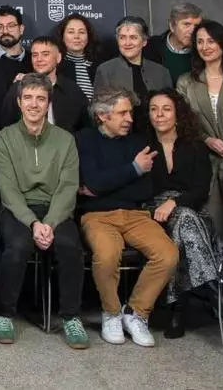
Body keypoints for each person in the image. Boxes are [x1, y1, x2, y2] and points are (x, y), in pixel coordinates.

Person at [75, 87, 179, 348]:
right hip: (97, 215)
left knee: (168, 254)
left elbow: (143, 190)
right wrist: (134, 169)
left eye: (130, 112)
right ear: (102, 115)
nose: (130, 119)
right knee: (107, 255)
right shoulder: (85, 139)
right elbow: (93, 182)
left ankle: (136, 313)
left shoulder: (138, 142)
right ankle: (111, 313)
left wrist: (103, 185)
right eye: (122, 113)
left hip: (136, 214)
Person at [0, 73, 88, 349]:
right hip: (18, 209)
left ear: (48, 104)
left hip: (56, 209)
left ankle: (71, 317)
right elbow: (8, 189)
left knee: (70, 246)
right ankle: (4, 314)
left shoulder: (65, 140)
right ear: (19, 102)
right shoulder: (4, 138)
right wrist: (33, 223)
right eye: (28, 98)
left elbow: (68, 187)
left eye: (40, 99)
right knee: (17, 246)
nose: (34, 104)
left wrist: (51, 222)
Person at [145, 89, 223, 339]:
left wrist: (174, 202)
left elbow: (201, 190)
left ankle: (176, 307)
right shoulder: (142, 145)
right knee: (182, 222)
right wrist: (164, 204)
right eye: (153, 109)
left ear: (178, 114)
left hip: (192, 209)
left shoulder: (194, 146)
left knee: (182, 222)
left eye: (166, 109)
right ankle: (211, 286)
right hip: (151, 213)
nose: (159, 115)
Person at [176, 20, 223, 240]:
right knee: (214, 225)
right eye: (200, 41)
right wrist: (207, 140)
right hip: (205, 161)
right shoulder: (186, 82)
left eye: (211, 41)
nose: (205, 46)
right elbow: (183, 123)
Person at [93, 16, 172, 131]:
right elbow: (98, 111)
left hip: (156, 134)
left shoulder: (161, 72)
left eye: (133, 37)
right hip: (119, 135)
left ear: (144, 41)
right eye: (122, 37)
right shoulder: (105, 70)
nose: (127, 43)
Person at [0, 37, 87, 133]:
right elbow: (4, 129)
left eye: (45, 54)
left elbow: (86, 128)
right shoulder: (19, 88)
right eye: (35, 55)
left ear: (58, 58)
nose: (39, 59)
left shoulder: (72, 90)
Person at [0, 5, 31, 131]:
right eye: (0, 27)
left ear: (21, 29)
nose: (5, 31)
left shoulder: (35, 62)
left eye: (11, 26)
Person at [144, 2, 203, 84]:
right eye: (187, 24)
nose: (192, 31)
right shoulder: (150, 46)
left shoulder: (203, 52)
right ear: (172, 26)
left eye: (196, 26)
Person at [56, 12, 104, 101]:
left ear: (88, 36)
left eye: (81, 32)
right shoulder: (55, 66)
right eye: (71, 32)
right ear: (62, 36)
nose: (76, 36)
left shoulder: (100, 67)